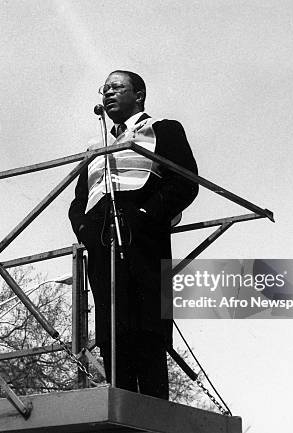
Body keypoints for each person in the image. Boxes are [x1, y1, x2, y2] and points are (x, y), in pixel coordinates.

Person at [69, 70, 198, 400]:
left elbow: (184, 181)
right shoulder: (96, 145)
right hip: (101, 238)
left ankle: (152, 409)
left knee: (146, 326)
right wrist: (84, 227)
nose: (108, 93)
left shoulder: (162, 129)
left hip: (141, 235)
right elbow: (78, 199)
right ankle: (121, 402)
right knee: (112, 329)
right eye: (105, 89)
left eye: (117, 87)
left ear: (138, 95)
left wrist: (146, 215)